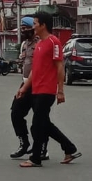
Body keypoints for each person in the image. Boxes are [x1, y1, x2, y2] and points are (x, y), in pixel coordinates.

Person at [16, 11, 82, 168]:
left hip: (47, 90)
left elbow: (60, 66)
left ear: (43, 25)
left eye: (35, 23)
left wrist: (60, 90)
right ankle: (69, 148)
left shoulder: (54, 42)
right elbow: (34, 70)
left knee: (37, 125)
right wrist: (24, 88)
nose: (33, 26)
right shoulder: (39, 44)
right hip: (36, 89)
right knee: (44, 123)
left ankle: (36, 158)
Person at [10, 17, 49, 160]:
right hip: (25, 83)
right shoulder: (25, 44)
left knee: (41, 120)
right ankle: (24, 142)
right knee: (16, 113)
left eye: (25, 28)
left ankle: (43, 149)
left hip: (39, 85)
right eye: (22, 28)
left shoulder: (41, 43)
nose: (23, 30)